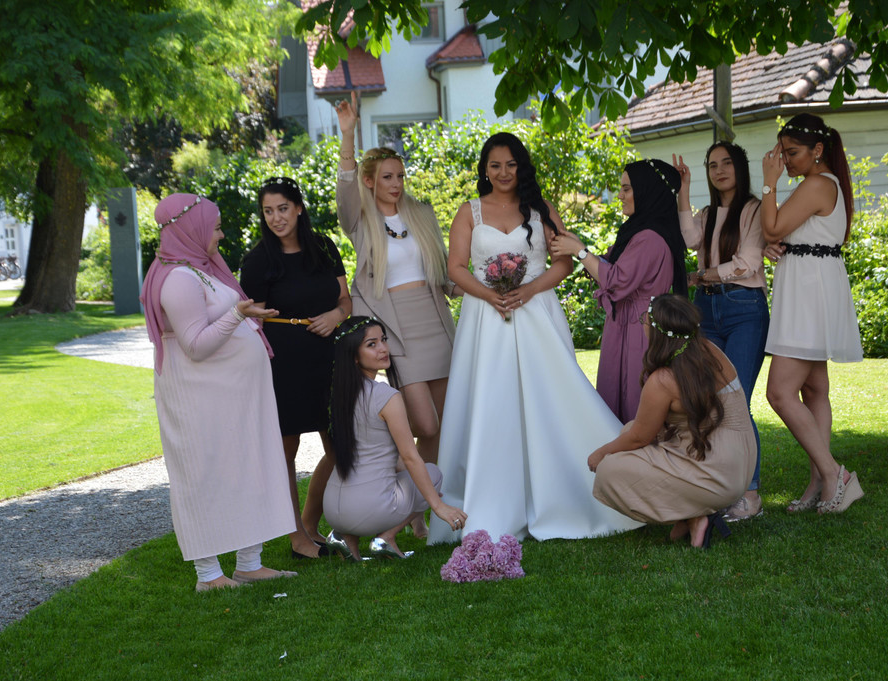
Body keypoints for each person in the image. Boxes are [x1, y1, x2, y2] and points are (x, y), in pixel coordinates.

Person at [427, 132, 642, 544]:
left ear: (521, 167)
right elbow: (456, 267)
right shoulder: (469, 211)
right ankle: (491, 498)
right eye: (495, 165)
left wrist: (529, 290)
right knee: (493, 401)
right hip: (485, 318)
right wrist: (489, 295)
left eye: (511, 164)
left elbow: (564, 263)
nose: (503, 172)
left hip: (536, 312)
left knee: (552, 396)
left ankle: (573, 489)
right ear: (484, 169)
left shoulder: (542, 210)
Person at [140, 193, 297, 591]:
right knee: (204, 475)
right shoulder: (178, 279)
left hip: (231, 398)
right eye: (215, 228)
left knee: (246, 470)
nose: (221, 235)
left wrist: (244, 317)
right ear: (191, 230)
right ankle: (209, 576)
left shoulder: (200, 268)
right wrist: (237, 314)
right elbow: (195, 345)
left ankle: (249, 564)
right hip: (200, 400)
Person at [334, 93, 456, 481]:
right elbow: (346, 189)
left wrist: (482, 287)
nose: (396, 183)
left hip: (435, 321)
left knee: (445, 423)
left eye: (400, 176)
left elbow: (444, 270)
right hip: (396, 327)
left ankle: (423, 506)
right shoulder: (360, 219)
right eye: (387, 177)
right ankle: (400, 487)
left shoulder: (421, 214)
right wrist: (348, 135)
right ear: (370, 181)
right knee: (425, 425)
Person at [239, 176, 351, 559]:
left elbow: (345, 300)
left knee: (340, 444)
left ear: (298, 208)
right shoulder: (257, 260)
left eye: (282, 208)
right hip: (282, 362)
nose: (276, 218)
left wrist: (335, 316)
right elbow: (251, 319)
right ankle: (297, 538)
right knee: (286, 450)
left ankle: (311, 520)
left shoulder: (324, 247)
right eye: (268, 211)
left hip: (328, 356)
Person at [590, 294, 757, 548]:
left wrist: (600, 454)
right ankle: (693, 515)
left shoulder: (663, 380)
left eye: (645, 319)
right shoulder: (710, 351)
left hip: (715, 473)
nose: (643, 323)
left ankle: (694, 513)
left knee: (609, 471)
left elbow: (639, 437)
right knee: (628, 430)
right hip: (741, 467)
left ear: (657, 332)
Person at [761, 113, 865, 514]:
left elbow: (772, 227)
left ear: (817, 150)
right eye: (781, 153)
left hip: (808, 295)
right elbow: (781, 234)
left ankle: (835, 474)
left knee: (779, 392)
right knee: (814, 389)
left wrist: (769, 181)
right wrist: (773, 244)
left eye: (791, 153)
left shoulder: (818, 184)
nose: (784, 160)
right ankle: (819, 482)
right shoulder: (820, 184)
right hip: (811, 288)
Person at [672, 143, 769, 521]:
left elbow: (747, 263)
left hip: (744, 309)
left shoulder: (754, 209)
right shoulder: (708, 214)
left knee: (737, 401)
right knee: (709, 401)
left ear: (740, 167)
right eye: (712, 165)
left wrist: (702, 275)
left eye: (727, 163)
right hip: (707, 311)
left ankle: (751, 494)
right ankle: (717, 487)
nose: (720, 170)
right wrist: (683, 189)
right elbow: (688, 240)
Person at [550, 159, 687, 423]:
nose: (620, 196)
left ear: (647, 190)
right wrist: (578, 247)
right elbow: (609, 264)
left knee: (635, 404)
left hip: (640, 328)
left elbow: (616, 280)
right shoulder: (638, 231)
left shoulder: (650, 237)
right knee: (615, 403)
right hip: (625, 323)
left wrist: (580, 252)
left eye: (627, 189)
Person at [322, 316, 467, 560]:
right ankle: (386, 538)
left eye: (383, 340)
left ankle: (345, 538)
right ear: (354, 356)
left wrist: (421, 490)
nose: (383, 348)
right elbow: (410, 457)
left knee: (416, 480)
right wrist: (437, 505)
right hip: (368, 511)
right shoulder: (385, 395)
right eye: (372, 344)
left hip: (333, 509)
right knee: (433, 474)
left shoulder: (336, 393)